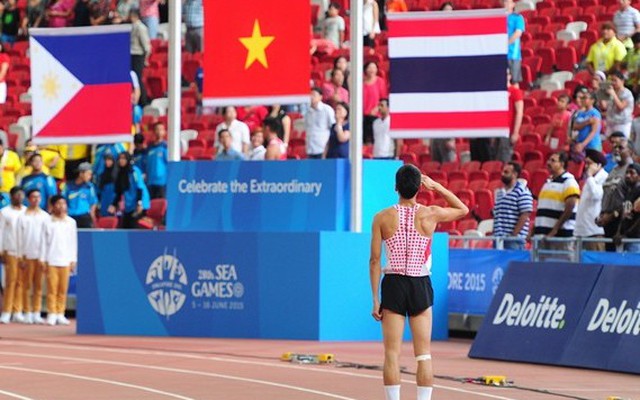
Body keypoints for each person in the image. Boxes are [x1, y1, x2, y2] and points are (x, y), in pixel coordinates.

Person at [370, 165, 469, 400]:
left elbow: (374, 261)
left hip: (393, 283)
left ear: (396, 188)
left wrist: (375, 299)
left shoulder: (382, 217)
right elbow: (462, 209)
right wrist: (436, 186)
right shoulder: (430, 213)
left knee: (392, 354)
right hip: (419, 283)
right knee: (423, 355)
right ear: (419, 188)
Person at [532, 152, 581, 256]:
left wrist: (555, 229)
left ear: (562, 164)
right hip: (542, 236)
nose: (549, 163)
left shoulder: (569, 181)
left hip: (560, 237)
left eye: (553, 161)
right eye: (549, 160)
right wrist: (533, 230)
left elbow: (570, 206)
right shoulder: (548, 182)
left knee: (562, 268)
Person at [41, 195, 77, 326]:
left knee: (63, 289)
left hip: (65, 259)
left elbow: (73, 242)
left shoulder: (71, 222)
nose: (61, 207)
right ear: (53, 206)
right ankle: (51, 313)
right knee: (52, 289)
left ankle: (60, 313)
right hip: (51, 259)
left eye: (64, 204)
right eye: (58, 204)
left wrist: (73, 260)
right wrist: (43, 259)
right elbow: (43, 242)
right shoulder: (47, 222)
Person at [17, 189, 49, 324]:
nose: (36, 199)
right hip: (27, 254)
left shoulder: (45, 216)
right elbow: (18, 238)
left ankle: (36, 312)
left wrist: (45, 257)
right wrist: (20, 256)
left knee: (39, 286)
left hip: (40, 256)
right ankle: (27, 311)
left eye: (38, 197)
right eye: (33, 197)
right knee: (27, 285)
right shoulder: (23, 216)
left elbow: (47, 238)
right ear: (28, 199)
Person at [493, 162, 534, 250]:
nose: (502, 174)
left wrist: (513, 235)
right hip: (498, 239)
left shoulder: (522, 191)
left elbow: (525, 214)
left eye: (506, 172)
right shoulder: (499, 192)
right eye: (503, 171)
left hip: (514, 241)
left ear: (515, 174)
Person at [0, 187, 26, 324]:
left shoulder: (26, 212)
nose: (19, 197)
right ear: (11, 196)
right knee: (10, 281)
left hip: (24, 252)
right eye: (17, 195)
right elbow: (1, 231)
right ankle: (6, 311)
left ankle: (18, 310)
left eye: (21, 194)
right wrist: (1, 250)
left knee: (21, 282)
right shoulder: (4, 212)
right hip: (10, 250)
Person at [575, 150, 609, 251]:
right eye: (586, 163)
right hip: (582, 230)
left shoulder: (604, 178)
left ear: (599, 165)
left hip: (594, 231)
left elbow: (597, 195)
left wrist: (589, 177)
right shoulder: (590, 179)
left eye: (589, 163)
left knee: (596, 264)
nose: (586, 166)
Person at [108, 152, 151, 229]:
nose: (121, 160)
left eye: (123, 158)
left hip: (139, 203)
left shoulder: (134, 171)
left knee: (133, 225)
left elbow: (139, 188)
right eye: (120, 158)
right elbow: (119, 191)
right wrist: (113, 204)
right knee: (125, 226)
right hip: (129, 204)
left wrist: (139, 203)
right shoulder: (120, 173)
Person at [63, 162, 98, 228]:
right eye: (88, 174)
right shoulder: (68, 186)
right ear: (81, 173)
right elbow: (63, 200)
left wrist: (92, 217)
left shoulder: (90, 187)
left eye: (91, 175)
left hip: (84, 217)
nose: (90, 177)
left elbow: (93, 202)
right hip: (71, 217)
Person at [305, 88, 336, 158]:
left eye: (314, 95)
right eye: (310, 95)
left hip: (322, 147)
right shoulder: (307, 112)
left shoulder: (327, 109)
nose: (311, 97)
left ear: (320, 97)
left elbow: (333, 127)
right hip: (310, 148)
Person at [606, 70, 635, 138]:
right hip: (611, 123)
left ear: (622, 81)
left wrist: (613, 94)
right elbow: (604, 106)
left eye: (615, 80)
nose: (613, 83)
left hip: (622, 123)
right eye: (611, 80)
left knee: (621, 144)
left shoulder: (627, 93)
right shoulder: (611, 92)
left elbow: (621, 107)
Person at [146, 122, 168, 199]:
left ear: (164, 132)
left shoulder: (166, 147)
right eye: (157, 129)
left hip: (161, 182)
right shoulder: (150, 148)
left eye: (161, 129)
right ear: (154, 132)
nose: (159, 132)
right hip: (150, 181)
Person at [505, 0, 525, 85]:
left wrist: (506, 44)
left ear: (513, 4)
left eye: (507, 2)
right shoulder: (499, 17)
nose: (505, 3)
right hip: (502, 54)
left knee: (514, 81)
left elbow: (518, 33)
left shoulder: (517, 17)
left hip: (513, 54)